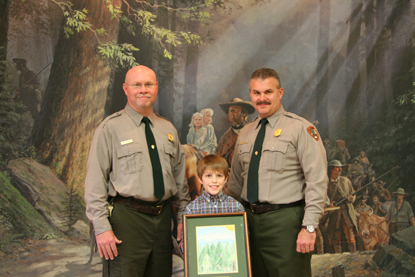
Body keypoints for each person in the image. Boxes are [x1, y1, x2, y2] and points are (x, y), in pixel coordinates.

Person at [84, 65, 190, 277]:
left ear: (156, 88)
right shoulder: (110, 128)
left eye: (148, 84)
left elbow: (179, 180)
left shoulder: (167, 129)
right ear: (125, 88)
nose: (143, 89)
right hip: (127, 221)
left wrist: (183, 218)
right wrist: (102, 227)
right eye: (137, 85)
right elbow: (95, 182)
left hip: (162, 222)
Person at [227, 68, 328, 277]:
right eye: (256, 93)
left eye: (268, 92)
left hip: (286, 224)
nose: (262, 98)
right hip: (248, 224)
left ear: (280, 93)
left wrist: (309, 228)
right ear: (250, 95)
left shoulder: (301, 129)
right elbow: (236, 183)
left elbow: (316, 181)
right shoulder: (245, 132)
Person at [327, 160, 358, 253]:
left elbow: (353, 194)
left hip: (346, 212)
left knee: (350, 236)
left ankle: (353, 257)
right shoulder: (326, 183)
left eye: (341, 167)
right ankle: (338, 259)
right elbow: (323, 198)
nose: (340, 169)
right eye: (337, 167)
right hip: (334, 213)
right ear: (332, 170)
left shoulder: (346, 180)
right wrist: (329, 204)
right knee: (336, 238)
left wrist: (352, 198)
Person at [215, 98, 255, 166]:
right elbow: (217, 159)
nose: (231, 112)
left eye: (235, 109)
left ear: (244, 113)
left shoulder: (253, 132)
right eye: (229, 110)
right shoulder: (225, 137)